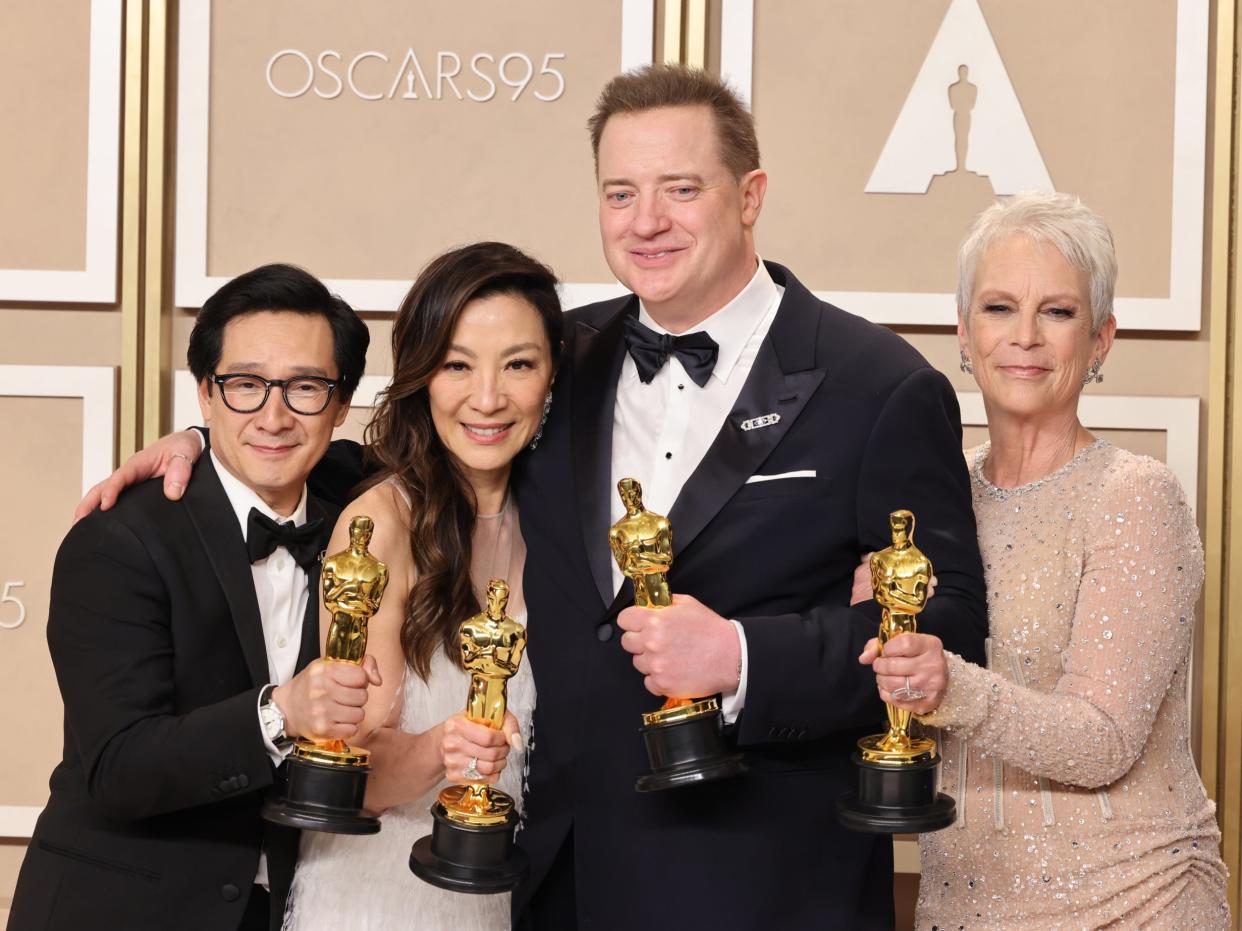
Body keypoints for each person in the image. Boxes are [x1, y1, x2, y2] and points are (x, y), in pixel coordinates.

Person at [77, 66, 988, 929]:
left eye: (681, 188)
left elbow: (947, 622)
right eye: (620, 193)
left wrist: (745, 655)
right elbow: (425, 467)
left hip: (765, 880)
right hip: (548, 877)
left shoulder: (879, 386)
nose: (647, 221)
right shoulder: (565, 354)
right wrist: (210, 444)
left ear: (750, 195)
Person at [859, 192, 1231, 928]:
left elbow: (1103, 740)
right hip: (960, 907)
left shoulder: (1135, 496)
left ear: (1100, 340)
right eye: (999, 308)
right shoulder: (931, 504)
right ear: (963, 333)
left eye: (1057, 312)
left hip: (1132, 903)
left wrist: (945, 683)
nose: (1024, 336)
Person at [9, 265, 376, 931]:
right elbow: (119, 766)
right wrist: (280, 712)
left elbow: (447, 456)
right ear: (206, 395)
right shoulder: (119, 539)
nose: (273, 414)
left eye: (304, 387)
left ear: (341, 402)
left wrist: (202, 440)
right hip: (120, 909)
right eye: (244, 385)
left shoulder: (354, 502)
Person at [279, 242, 560, 931]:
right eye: (457, 364)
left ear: (552, 374)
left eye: (518, 364)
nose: (487, 397)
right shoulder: (379, 523)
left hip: (508, 897)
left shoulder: (566, 520)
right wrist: (444, 745)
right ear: (420, 376)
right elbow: (355, 773)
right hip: (377, 900)